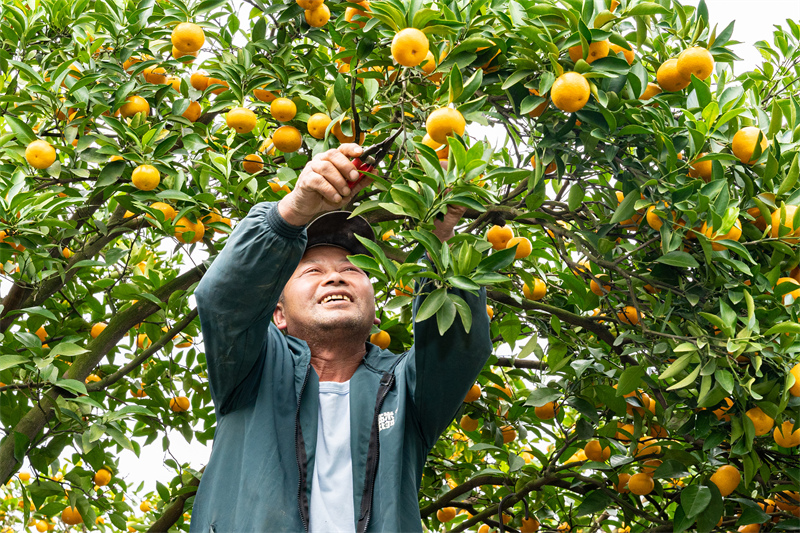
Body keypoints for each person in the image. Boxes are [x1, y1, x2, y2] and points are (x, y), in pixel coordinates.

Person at [189, 143, 493, 533]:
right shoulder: (251, 370)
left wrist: (440, 236)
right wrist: (292, 213)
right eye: (312, 271)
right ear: (277, 314)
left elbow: (457, 347)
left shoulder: (406, 390)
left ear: (374, 310)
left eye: (352, 269)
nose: (335, 276)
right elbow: (224, 299)